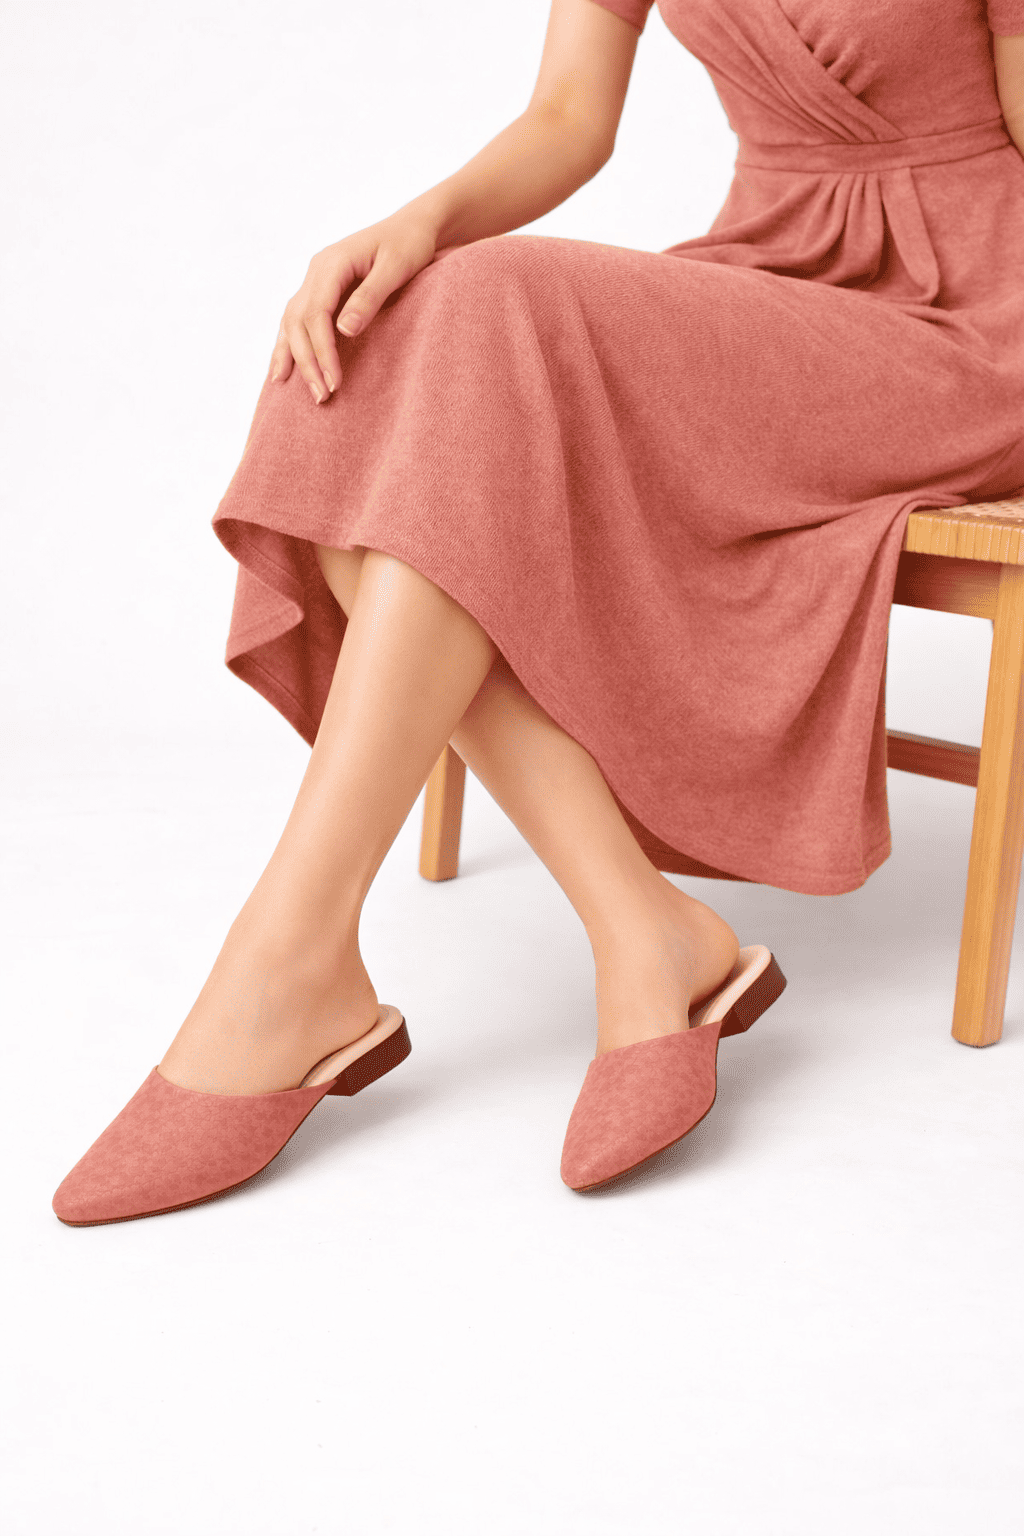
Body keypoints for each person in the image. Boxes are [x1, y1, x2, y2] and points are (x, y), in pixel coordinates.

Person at [52, 0, 1024, 1224]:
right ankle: (640, 931)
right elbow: (568, 116)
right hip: (764, 270)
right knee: (379, 333)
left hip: (972, 321)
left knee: (489, 307)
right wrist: (411, 226)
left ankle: (289, 962)